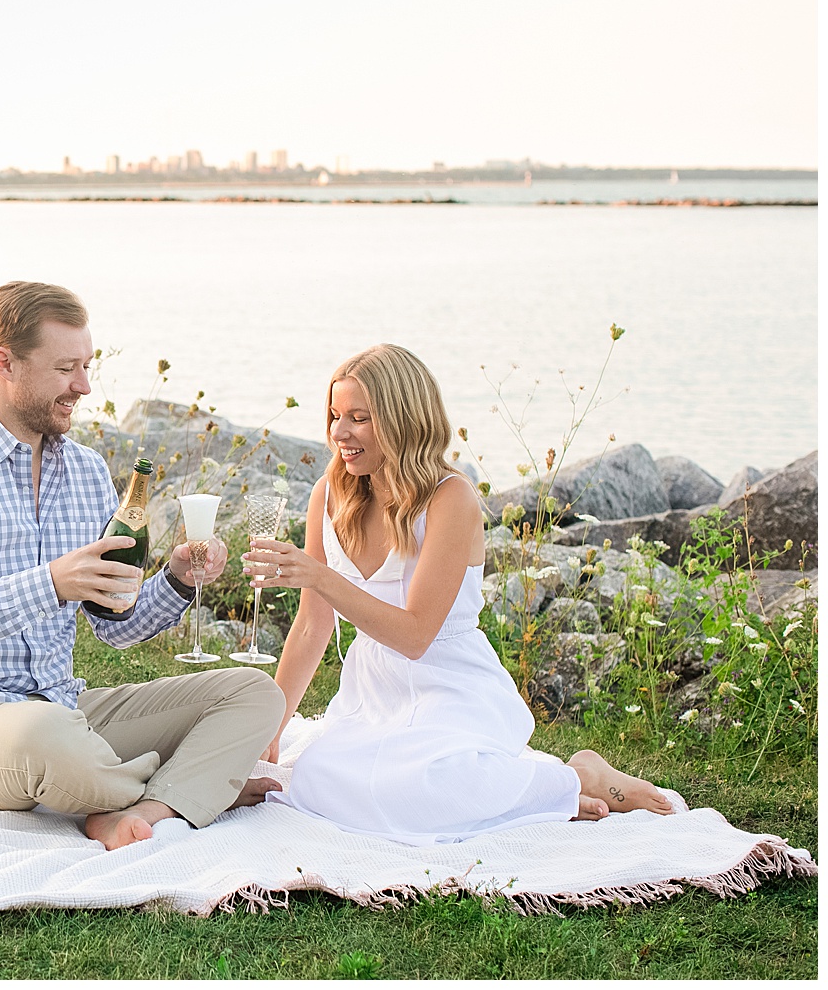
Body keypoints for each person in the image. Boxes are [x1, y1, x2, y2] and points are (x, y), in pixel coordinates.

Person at [0, 281, 285, 851]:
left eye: (87, 365)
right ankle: (193, 788)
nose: (84, 386)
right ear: (6, 364)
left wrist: (174, 580)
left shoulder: (88, 472)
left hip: (63, 708)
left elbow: (114, 624)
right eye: (66, 368)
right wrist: (48, 585)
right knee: (47, 736)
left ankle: (145, 805)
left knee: (254, 694)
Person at [242, 344, 674, 845]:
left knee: (423, 788)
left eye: (359, 418)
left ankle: (579, 778)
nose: (340, 432)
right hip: (372, 692)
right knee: (317, 779)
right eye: (336, 415)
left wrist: (319, 577)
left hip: (451, 687)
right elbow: (313, 627)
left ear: (402, 419)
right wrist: (275, 723)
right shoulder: (330, 494)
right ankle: (536, 794)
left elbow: (416, 635)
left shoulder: (450, 498)